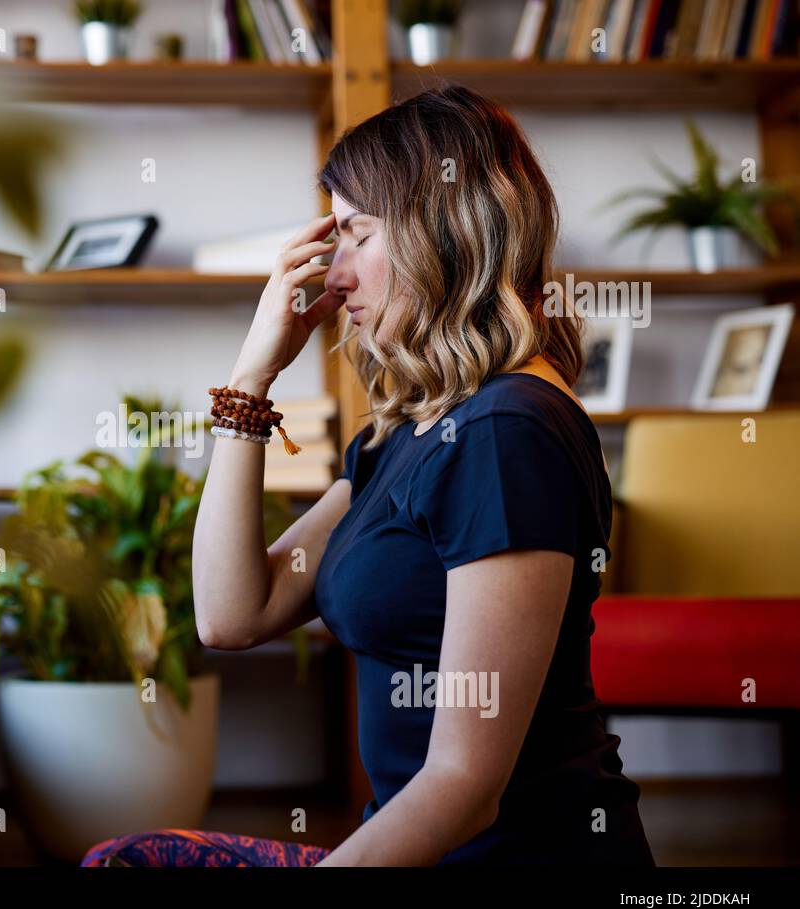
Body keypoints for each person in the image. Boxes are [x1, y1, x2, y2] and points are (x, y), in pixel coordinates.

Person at [82, 85, 655, 868]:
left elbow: (463, 783)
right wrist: (252, 376)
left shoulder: (506, 432)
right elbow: (230, 612)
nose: (334, 277)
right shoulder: (405, 433)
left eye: (357, 234)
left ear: (442, 234)